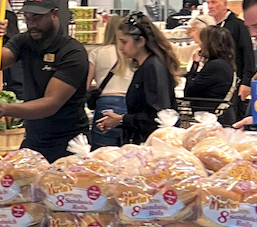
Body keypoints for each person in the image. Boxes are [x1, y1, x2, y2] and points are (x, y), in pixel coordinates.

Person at [0, 0, 92, 161]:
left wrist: (6, 109)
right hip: (34, 139)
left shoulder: (72, 52)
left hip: (69, 143)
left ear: (54, 14)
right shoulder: (24, 41)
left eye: (37, 17)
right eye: (27, 17)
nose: (32, 24)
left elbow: (51, 104)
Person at [111, 11, 184, 145]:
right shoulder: (149, 65)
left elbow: (155, 115)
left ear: (141, 42)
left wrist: (122, 119)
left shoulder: (152, 67)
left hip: (152, 143)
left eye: (124, 42)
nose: (120, 48)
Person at [87, 16, 134, 146]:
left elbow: (86, 84)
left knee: (103, 152)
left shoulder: (96, 53)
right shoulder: (132, 53)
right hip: (130, 103)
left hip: (105, 104)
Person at [184, 23, 241, 123]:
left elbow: (189, 92)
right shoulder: (225, 63)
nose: (199, 44)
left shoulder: (215, 66)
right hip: (219, 117)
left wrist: (194, 65)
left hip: (211, 119)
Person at [203, 0, 255, 87]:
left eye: (214, 2)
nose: (210, 6)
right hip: (214, 81)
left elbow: (248, 53)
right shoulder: (209, 26)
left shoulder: (238, 25)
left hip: (234, 81)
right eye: (208, 3)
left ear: (225, 4)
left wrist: (246, 82)